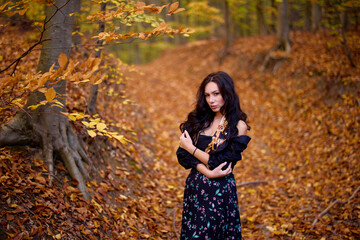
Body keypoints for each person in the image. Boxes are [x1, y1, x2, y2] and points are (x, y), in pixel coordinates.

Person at [177, 71, 251, 239]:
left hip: (220, 191)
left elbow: (218, 162)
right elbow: (182, 154)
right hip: (195, 188)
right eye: (208, 95)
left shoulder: (238, 126)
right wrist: (207, 172)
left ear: (228, 93)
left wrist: (191, 148)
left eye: (216, 94)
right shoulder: (200, 120)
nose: (211, 100)